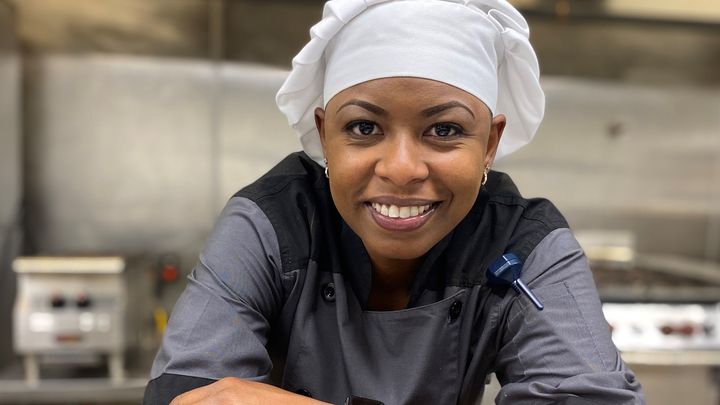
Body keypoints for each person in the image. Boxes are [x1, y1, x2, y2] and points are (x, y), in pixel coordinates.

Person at [144, 0, 645, 404]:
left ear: (489, 143)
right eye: (364, 127)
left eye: (443, 130)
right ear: (324, 134)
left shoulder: (525, 244)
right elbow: (184, 395)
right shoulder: (271, 225)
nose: (402, 169)